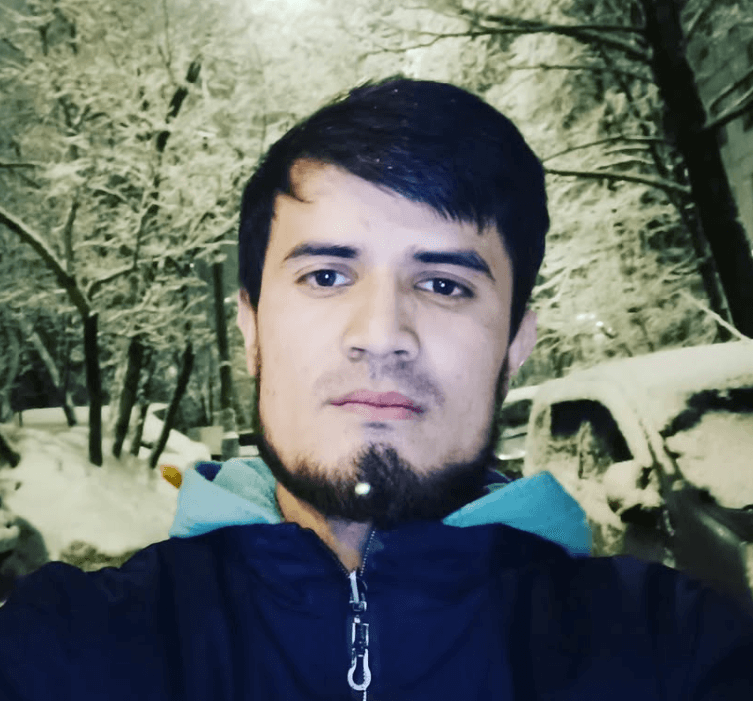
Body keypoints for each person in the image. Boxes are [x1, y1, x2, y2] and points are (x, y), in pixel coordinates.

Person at [0, 77, 751, 700]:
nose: (382, 332)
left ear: (515, 345)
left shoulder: (681, 653)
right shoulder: (67, 648)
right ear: (252, 328)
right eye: (326, 276)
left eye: (444, 284)